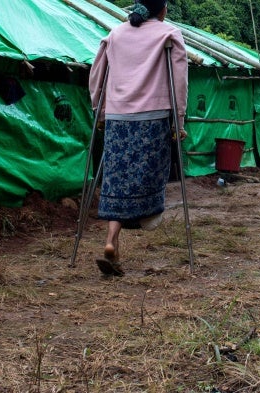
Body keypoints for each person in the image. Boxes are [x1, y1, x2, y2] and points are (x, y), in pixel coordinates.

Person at [88, 0, 188, 276]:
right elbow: (179, 81)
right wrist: (179, 120)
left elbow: (97, 73)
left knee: (117, 178)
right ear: (162, 9)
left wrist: (99, 108)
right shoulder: (168, 33)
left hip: (118, 118)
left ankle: (111, 241)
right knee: (150, 173)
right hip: (153, 118)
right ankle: (146, 217)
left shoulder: (116, 34)